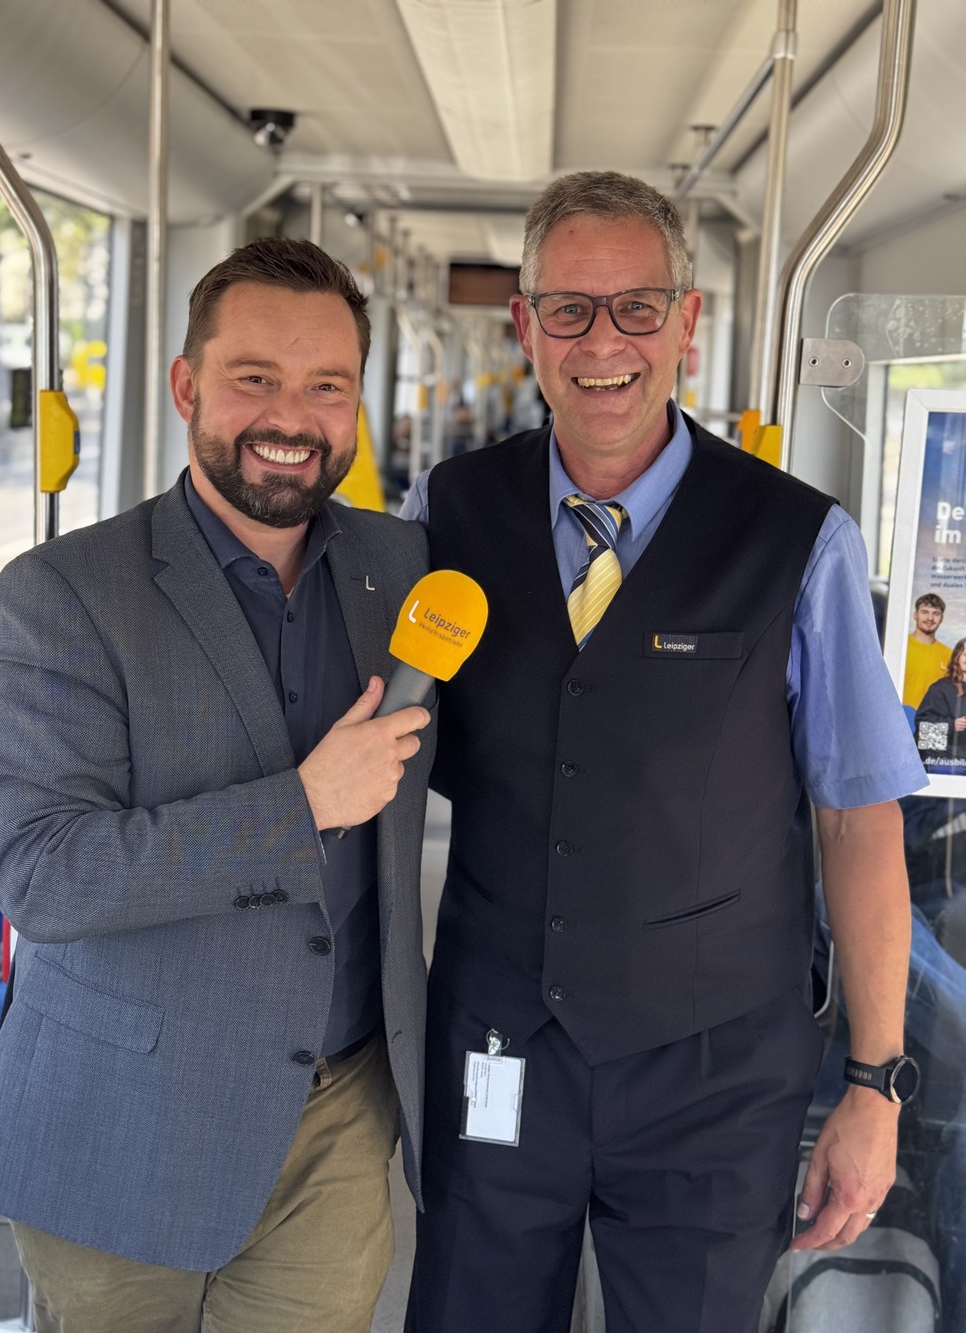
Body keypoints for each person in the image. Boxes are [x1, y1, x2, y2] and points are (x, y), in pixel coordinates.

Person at [400, 172, 926, 1333]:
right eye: (569, 309)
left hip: (714, 1077)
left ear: (687, 321)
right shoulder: (446, 513)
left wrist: (873, 1085)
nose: (604, 344)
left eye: (637, 306)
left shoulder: (800, 541)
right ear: (524, 322)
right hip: (499, 1046)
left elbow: (858, 817)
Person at [0, 237, 434, 1333]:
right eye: (254, 377)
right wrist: (301, 808)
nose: (292, 417)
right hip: (123, 1115)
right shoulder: (63, 593)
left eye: (326, 386)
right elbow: (46, 875)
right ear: (186, 386)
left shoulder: (402, 570)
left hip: (335, 1111)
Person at [916, 636, 966, 771]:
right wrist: (952, 725)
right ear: (957, 657)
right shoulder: (940, 689)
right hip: (945, 761)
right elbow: (922, 727)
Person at [903, 591, 949, 710]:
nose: (930, 618)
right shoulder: (901, 647)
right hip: (900, 716)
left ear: (941, 619)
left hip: (931, 719)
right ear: (915, 615)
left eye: (936, 613)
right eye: (924, 612)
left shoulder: (949, 655)